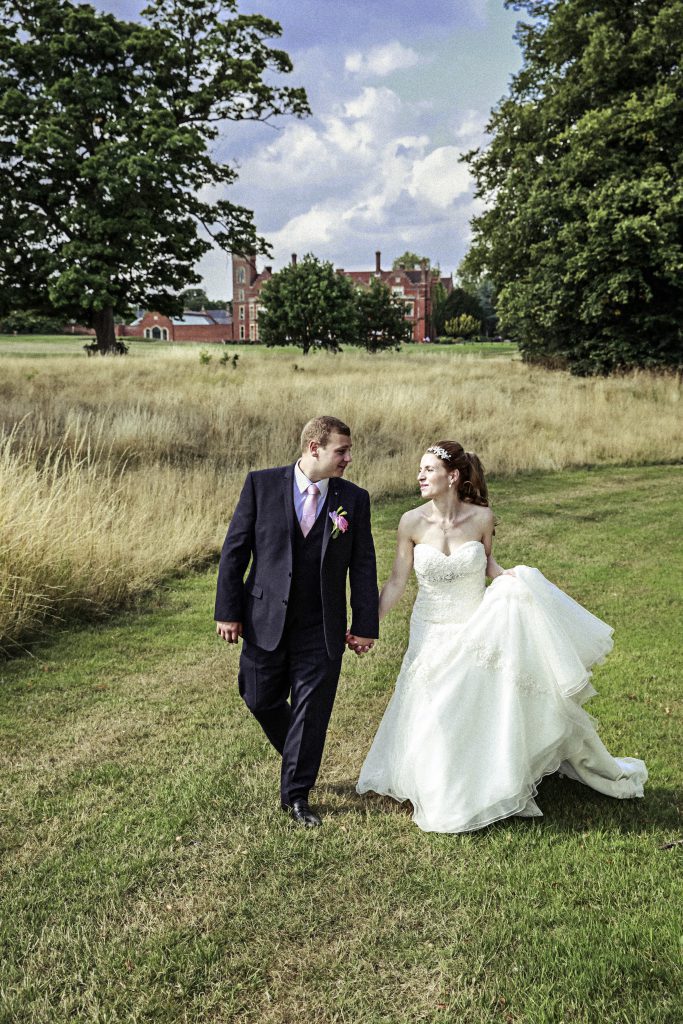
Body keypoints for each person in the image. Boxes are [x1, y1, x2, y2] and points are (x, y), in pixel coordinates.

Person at [357, 441, 647, 833]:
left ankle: (482, 778)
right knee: (434, 709)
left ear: (453, 477)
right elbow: (396, 582)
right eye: (420, 470)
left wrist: (515, 581)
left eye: (428, 469)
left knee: (469, 704)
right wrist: (367, 625)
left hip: (474, 624)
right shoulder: (410, 522)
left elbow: (488, 563)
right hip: (429, 628)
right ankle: (435, 780)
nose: (420, 476)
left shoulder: (482, 518)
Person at [215, 416, 379, 827]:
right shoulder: (261, 484)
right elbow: (235, 551)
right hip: (263, 617)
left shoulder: (353, 499)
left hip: (320, 625)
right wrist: (228, 611)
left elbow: (362, 566)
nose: (348, 458)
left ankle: (296, 796)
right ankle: (299, 753)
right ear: (313, 448)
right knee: (258, 697)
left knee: (311, 711)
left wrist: (364, 624)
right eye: (341, 451)